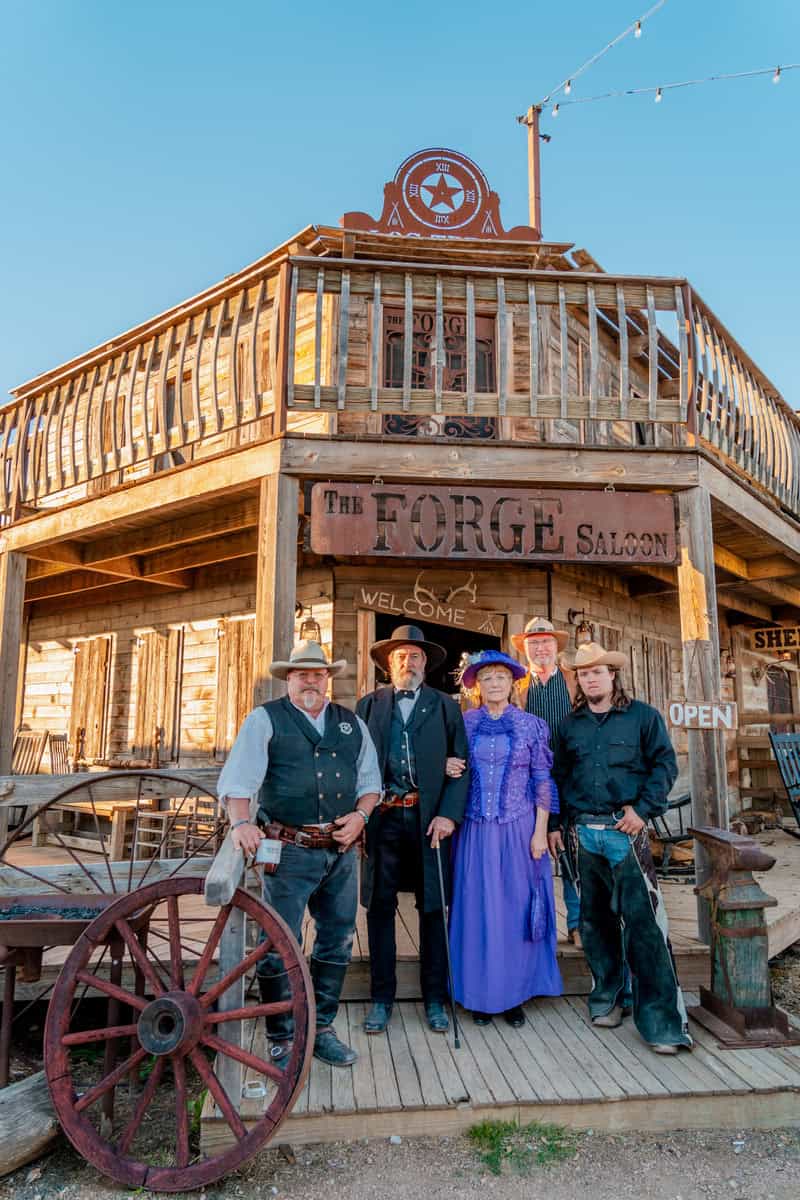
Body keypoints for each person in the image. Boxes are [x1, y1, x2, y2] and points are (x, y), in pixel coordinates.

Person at [217, 639, 382, 1068]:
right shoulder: (265, 720)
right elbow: (239, 779)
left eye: (318, 674)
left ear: (328, 679)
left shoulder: (350, 724)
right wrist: (241, 823)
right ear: (288, 679)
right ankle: (281, 1033)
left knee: (337, 939)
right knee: (278, 942)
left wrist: (361, 817)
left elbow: (370, 783)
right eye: (302, 674)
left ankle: (321, 1028)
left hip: (341, 850)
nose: (311, 680)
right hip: (288, 849)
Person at [549, 641, 692, 1055]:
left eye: (598, 671)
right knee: (595, 924)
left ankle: (663, 1022)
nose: (590, 678)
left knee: (645, 926)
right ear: (577, 681)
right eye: (583, 673)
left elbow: (665, 766)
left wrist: (643, 811)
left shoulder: (643, 718)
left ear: (613, 675)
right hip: (583, 834)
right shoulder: (569, 725)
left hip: (624, 831)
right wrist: (559, 824)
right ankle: (607, 1000)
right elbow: (558, 776)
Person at [356, 624, 469, 1035]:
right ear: (389, 665)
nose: (409, 661)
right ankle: (381, 999)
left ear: (426, 665)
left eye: (416, 656)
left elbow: (461, 767)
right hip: (383, 819)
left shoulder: (444, 707)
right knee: (380, 908)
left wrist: (448, 816)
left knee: (433, 908)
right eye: (401, 656)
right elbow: (356, 765)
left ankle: (435, 999)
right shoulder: (368, 706)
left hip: (429, 821)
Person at [449, 650, 562, 1027]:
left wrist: (540, 832)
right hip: (476, 828)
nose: (494, 683)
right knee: (477, 909)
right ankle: (480, 996)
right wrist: (448, 764)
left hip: (519, 827)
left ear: (513, 683)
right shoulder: (465, 724)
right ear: (476, 686)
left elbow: (542, 780)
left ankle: (514, 995)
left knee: (515, 910)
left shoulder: (531, 725)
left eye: (500, 676)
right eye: (486, 678)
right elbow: (452, 767)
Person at [512, 616, 580, 946]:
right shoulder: (517, 686)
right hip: (529, 782)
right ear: (525, 649)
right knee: (531, 852)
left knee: (570, 852)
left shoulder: (573, 681)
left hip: (569, 778)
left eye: (546, 642)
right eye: (534, 643)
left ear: (556, 647)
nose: (540, 648)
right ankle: (532, 928)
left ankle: (578, 923)